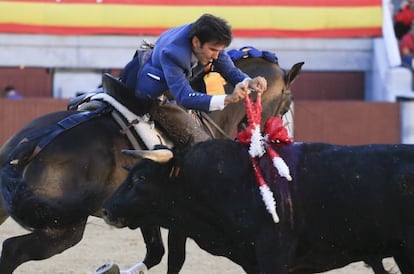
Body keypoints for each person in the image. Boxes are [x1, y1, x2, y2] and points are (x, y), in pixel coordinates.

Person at [119, 14, 267, 147]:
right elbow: (185, 97)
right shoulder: (174, 54)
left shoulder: (206, 37)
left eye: (219, 51)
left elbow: (229, 70)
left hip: (168, 79)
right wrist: (228, 99)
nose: (216, 56)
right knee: (201, 144)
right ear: (196, 42)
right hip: (151, 93)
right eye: (213, 50)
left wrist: (249, 81)